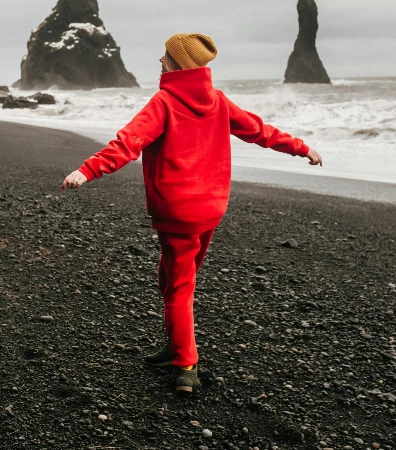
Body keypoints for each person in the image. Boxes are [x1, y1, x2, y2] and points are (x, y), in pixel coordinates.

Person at [62, 33, 322, 393]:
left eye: (165, 56)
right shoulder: (218, 101)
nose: (160, 61)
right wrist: (301, 148)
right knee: (172, 278)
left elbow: (129, 142)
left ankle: (186, 364)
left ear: (178, 64)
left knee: (179, 287)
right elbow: (259, 131)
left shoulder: (164, 101)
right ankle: (173, 345)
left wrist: (86, 170)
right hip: (210, 209)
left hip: (176, 211)